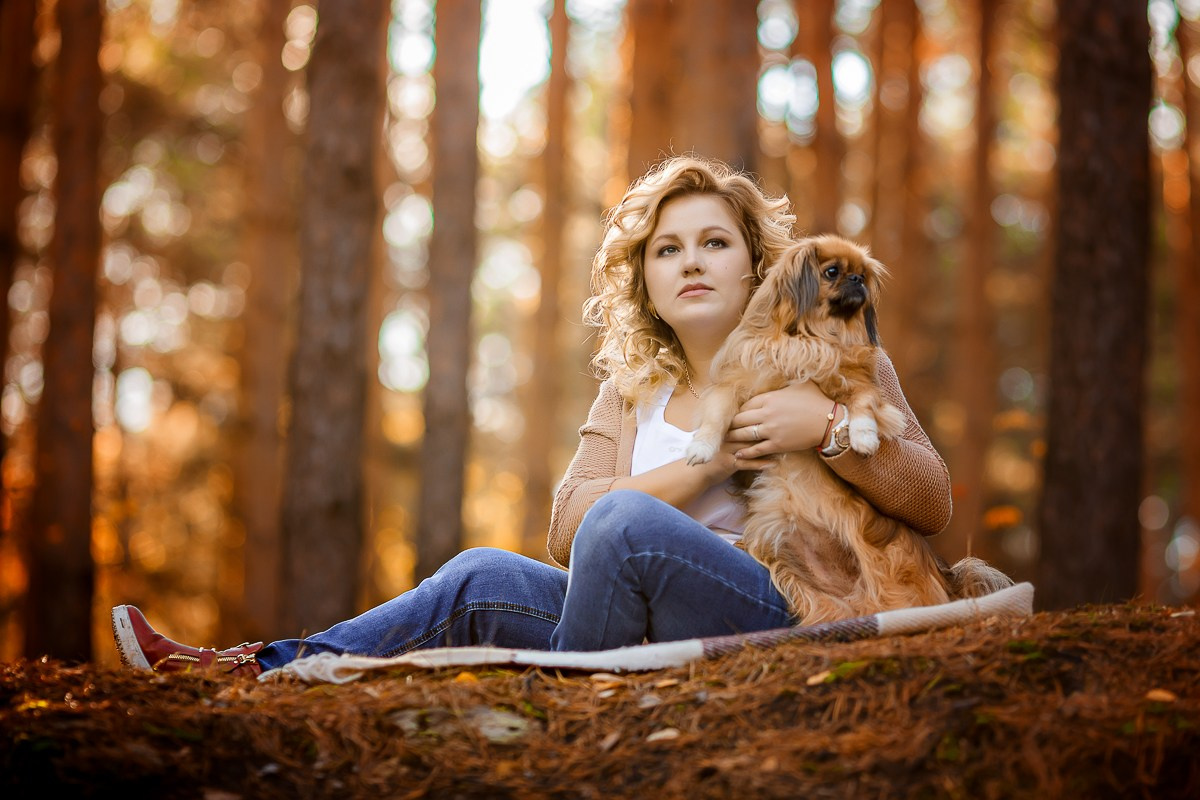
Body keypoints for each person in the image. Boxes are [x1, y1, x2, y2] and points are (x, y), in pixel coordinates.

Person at [112, 155, 952, 677]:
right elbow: (568, 529)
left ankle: (563, 724)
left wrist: (827, 432)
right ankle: (256, 669)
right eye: (667, 250)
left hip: (783, 607)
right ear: (647, 284)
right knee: (483, 572)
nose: (691, 261)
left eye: (714, 242)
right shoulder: (631, 393)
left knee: (626, 519)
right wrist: (710, 459)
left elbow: (932, 499)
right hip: (631, 614)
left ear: (756, 266)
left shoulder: (834, 358)